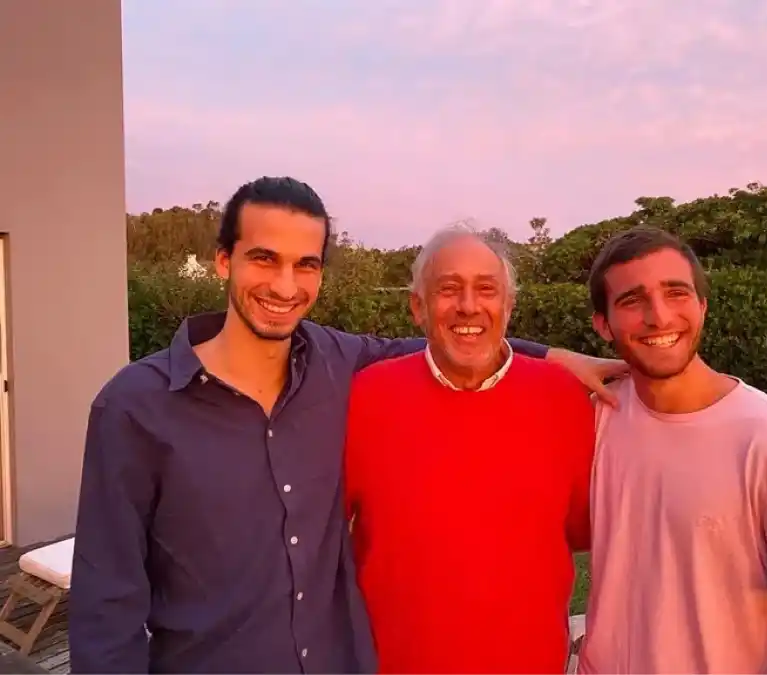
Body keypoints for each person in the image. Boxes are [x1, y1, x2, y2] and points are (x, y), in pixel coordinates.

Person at [68, 176, 627, 674]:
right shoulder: (135, 406)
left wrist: (554, 358)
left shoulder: (339, 365)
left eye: (305, 264)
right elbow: (106, 601)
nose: (285, 286)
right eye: (264, 258)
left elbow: (459, 340)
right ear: (223, 261)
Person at [576, 225, 767, 674]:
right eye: (632, 300)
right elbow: (475, 355)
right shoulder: (598, 418)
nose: (659, 317)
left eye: (676, 293)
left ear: (702, 307)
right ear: (603, 325)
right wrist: (553, 357)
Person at [344, 225, 597, 674]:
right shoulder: (367, 396)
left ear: (508, 305)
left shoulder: (563, 398)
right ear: (417, 307)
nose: (468, 305)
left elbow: (580, 529)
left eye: (486, 289)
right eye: (448, 289)